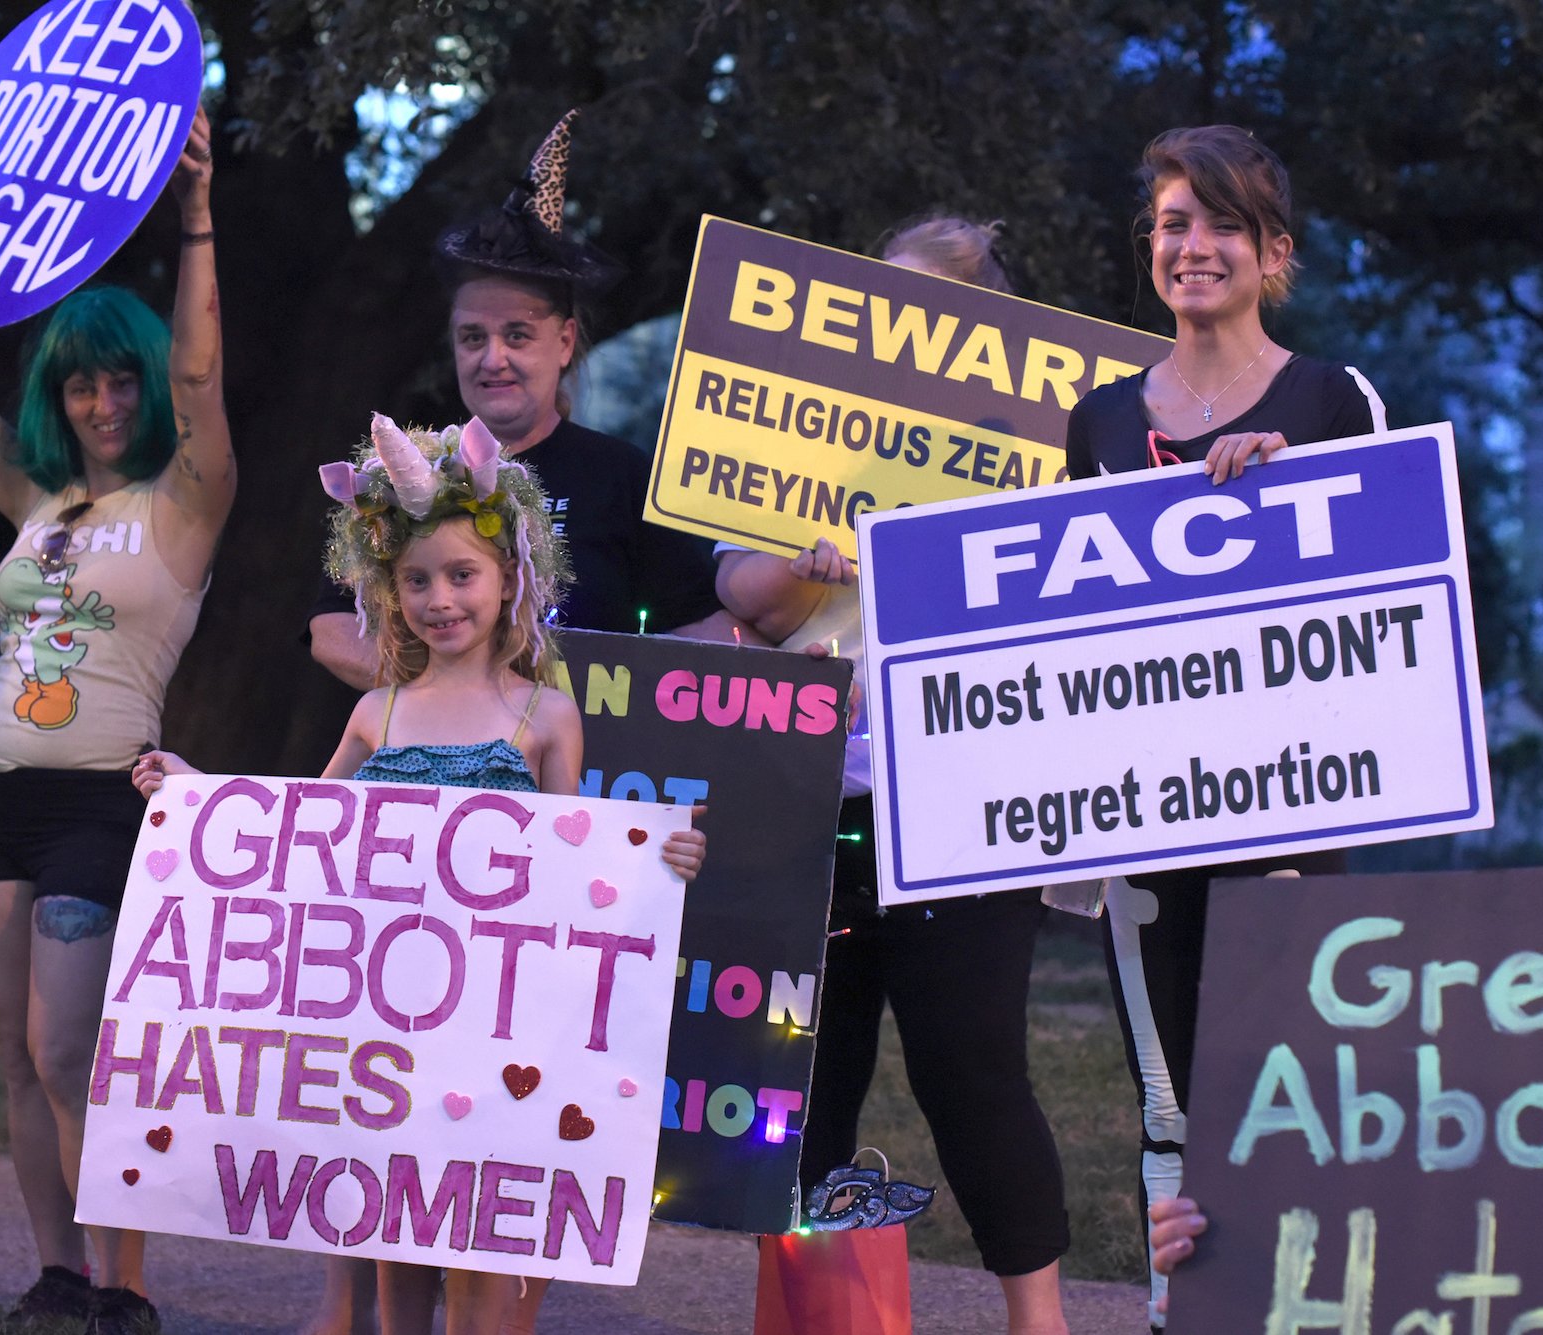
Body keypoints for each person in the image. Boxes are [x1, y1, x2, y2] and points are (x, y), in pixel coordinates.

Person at [140, 413, 705, 1335]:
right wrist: (197, 795)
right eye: (416, 579)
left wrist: (664, 856)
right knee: (398, 1223)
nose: (440, 598)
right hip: (391, 1025)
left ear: (510, 578)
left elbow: (584, 863)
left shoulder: (545, 718)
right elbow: (296, 836)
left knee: (487, 1244)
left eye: (461, 574)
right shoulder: (377, 713)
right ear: (386, 589)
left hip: (500, 1027)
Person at [0, 108, 235, 1335]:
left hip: (100, 801)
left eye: (118, 378)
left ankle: (119, 1290)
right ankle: (53, 1274)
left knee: (69, 1053)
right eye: (80, 379)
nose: (100, 399)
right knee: (12, 1056)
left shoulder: (189, 500)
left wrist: (194, 215)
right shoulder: (36, 496)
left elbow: (201, 375)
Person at [719, 215, 1070, 1335]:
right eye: (887, 309)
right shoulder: (792, 435)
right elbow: (744, 597)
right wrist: (810, 549)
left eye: (928, 315)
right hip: (815, 808)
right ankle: (804, 1315)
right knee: (807, 1084)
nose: (902, 338)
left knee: (971, 1074)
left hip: (961, 811)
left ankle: (1041, 1321)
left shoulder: (1035, 456)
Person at [1063, 125, 1386, 1331]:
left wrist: (1290, 478)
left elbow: (1393, 588)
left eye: (1217, 225)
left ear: (1271, 252)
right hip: (1139, 818)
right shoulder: (1094, 421)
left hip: (1289, 811)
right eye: (1170, 224)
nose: (1190, 246)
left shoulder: (1329, 397)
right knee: (1167, 1097)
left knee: (1292, 1082)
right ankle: (1173, 1310)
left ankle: (1305, 1309)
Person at [307, 110, 744, 694]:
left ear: (564, 342)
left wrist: (802, 689)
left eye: (517, 335)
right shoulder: (406, 473)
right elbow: (332, 630)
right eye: (472, 338)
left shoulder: (620, 475)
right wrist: (466, 697)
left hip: (583, 771)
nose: (493, 359)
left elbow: (701, 626)